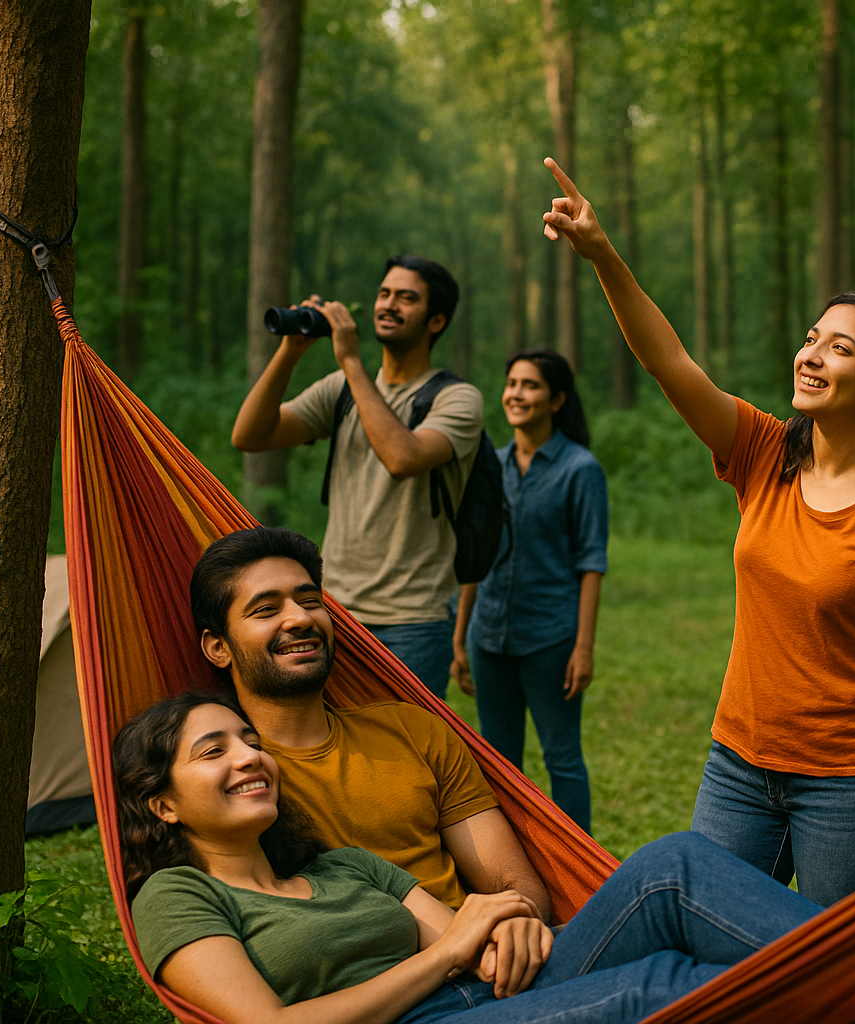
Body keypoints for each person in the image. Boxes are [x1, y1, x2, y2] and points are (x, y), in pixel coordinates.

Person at [539, 159, 855, 910]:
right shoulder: (764, 452)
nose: (811, 355)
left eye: (841, 348)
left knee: (836, 970)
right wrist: (603, 253)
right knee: (712, 947)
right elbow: (666, 361)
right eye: (812, 337)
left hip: (851, 780)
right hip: (737, 763)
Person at [116, 692, 820, 1024]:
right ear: (163, 804)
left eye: (249, 742)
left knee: (675, 865)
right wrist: (448, 952)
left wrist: (503, 922)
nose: (250, 757)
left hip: (495, 992)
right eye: (215, 752)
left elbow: (473, 936)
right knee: (663, 987)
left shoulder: (342, 866)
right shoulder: (179, 896)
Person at [190, 526, 546, 915]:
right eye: (266, 609)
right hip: (394, 971)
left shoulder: (413, 729)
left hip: (501, 952)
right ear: (218, 647)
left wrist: (515, 929)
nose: (299, 619)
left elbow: (513, 883)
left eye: (310, 601)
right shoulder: (234, 777)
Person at [231, 255, 481, 699]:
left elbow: (402, 458)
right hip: (335, 611)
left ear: (436, 320)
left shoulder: (457, 399)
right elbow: (250, 434)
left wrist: (349, 360)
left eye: (407, 298)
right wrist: (289, 353)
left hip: (413, 619)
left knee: (407, 754)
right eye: (384, 294)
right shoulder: (341, 390)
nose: (388, 304)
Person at [453, 351, 607, 834]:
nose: (516, 394)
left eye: (531, 385)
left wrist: (583, 648)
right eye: (512, 383)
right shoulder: (490, 466)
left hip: (551, 639)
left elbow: (591, 564)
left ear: (556, 399)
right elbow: (475, 557)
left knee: (562, 758)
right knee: (498, 761)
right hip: (489, 639)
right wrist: (460, 638)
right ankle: (513, 857)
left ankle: (581, 869)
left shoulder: (580, 470)